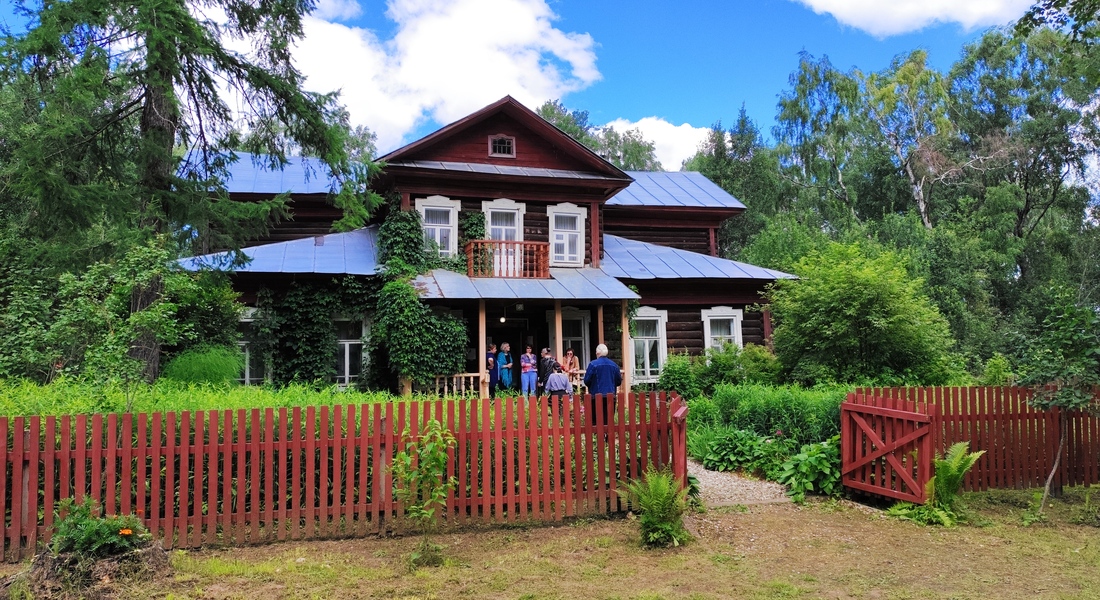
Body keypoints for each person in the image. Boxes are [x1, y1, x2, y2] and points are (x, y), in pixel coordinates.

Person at [583, 343, 622, 426]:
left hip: (596, 396)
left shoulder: (593, 364)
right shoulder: (614, 365)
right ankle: (608, 437)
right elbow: (619, 381)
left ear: (597, 353)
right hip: (611, 397)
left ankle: (598, 438)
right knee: (608, 421)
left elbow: (586, 381)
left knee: (596, 421)